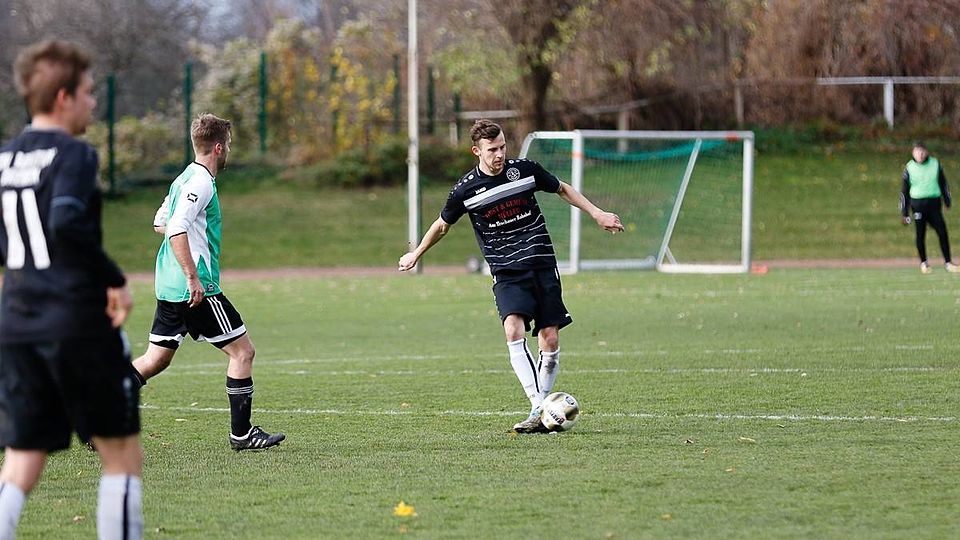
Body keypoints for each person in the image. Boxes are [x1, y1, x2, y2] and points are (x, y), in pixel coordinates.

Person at [0, 40, 143, 538]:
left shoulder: (3, 159)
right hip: (77, 325)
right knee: (121, 454)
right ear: (63, 97)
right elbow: (65, 222)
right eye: (87, 91)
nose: (92, 101)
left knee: (21, 461)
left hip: (17, 327)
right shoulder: (75, 154)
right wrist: (115, 279)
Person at [398, 119, 624, 433]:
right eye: (492, 149)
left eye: (503, 147)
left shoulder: (525, 170)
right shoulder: (465, 190)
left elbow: (561, 188)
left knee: (550, 337)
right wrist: (416, 253)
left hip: (541, 262)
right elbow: (442, 225)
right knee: (512, 328)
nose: (500, 154)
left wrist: (597, 213)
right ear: (476, 151)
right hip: (506, 270)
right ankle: (539, 407)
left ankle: (539, 411)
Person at [131, 113, 285, 451]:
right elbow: (174, 227)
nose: (229, 150)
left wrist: (187, 234)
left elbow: (161, 221)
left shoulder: (183, 178)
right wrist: (192, 275)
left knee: (156, 359)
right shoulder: (200, 183)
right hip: (196, 288)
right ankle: (242, 435)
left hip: (169, 286)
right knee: (243, 352)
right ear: (218, 147)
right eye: (228, 144)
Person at [900, 141, 958, 274]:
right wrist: (904, 212)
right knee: (920, 234)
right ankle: (924, 263)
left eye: (922, 151)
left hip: (934, 204)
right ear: (913, 153)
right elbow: (904, 191)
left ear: (926, 152)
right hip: (918, 204)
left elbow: (943, 184)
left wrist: (947, 200)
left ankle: (948, 262)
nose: (920, 154)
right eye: (917, 151)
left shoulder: (935, 164)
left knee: (942, 232)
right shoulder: (909, 168)